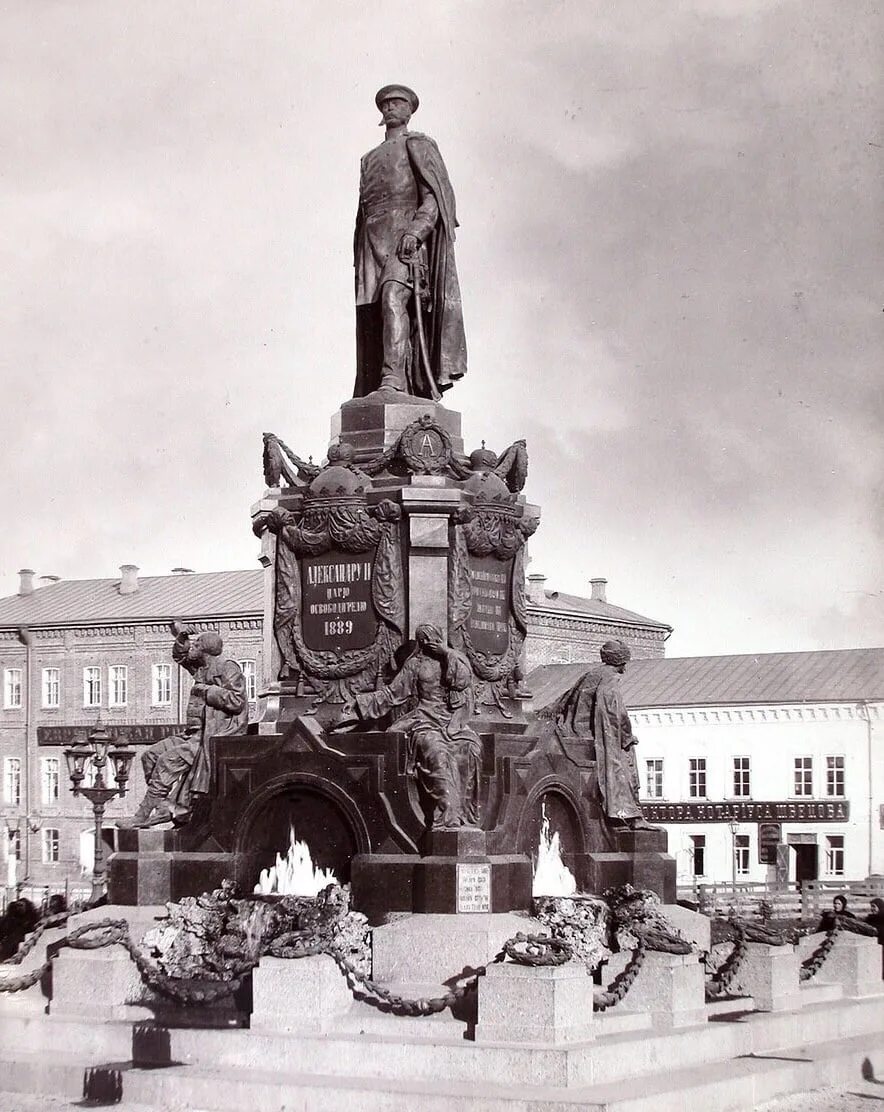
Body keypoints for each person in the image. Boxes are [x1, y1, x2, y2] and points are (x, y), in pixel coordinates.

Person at [353, 84, 466, 398]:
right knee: (374, 317)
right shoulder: (368, 158)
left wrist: (416, 231)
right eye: (386, 103)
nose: (390, 107)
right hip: (372, 241)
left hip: (406, 239)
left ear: (409, 109)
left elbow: (435, 198)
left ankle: (395, 380)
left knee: (393, 298)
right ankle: (379, 382)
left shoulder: (419, 145)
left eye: (397, 102)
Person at [337, 624, 481, 829]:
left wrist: (446, 652)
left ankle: (464, 815)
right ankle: (449, 816)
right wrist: (359, 703)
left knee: (472, 749)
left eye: (432, 637)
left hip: (452, 721)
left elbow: (463, 681)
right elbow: (392, 694)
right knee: (436, 752)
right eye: (424, 638)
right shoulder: (414, 664)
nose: (428, 641)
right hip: (424, 719)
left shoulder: (453, 659)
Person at [118, 625, 248, 828]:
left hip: (212, 736)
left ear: (205, 649)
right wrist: (181, 638)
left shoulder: (226, 667)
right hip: (192, 734)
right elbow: (180, 657)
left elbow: (237, 700)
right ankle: (164, 808)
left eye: (195, 644)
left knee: (167, 762)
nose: (191, 648)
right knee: (150, 755)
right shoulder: (200, 667)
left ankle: (142, 815)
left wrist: (207, 690)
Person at [547, 640, 655, 828]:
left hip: (574, 734)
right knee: (624, 758)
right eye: (624, 663)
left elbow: (564, 701)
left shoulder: (593, 674)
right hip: (591, 739)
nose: (625, 668)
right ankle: (629, 816)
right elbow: (614, 714)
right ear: (621, 662)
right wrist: (627, 737)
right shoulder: (610, 680)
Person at [865, 897, 884, 976]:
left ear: (879, 907)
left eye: (874, 906)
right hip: (873, 946)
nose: (872, 909)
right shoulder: (869, 919)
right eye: (871, 906)